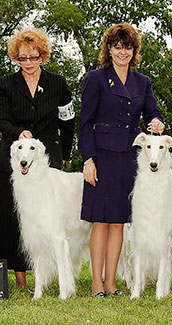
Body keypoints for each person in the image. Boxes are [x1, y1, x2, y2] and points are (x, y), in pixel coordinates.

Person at [79, 23, 164, 298]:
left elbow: (153, 111)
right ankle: (95, 284)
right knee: (100, 222)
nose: (122, 52)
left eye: (127, 46)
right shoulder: (96, 78)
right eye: (117, 46)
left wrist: (155, 121)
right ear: (109, 49)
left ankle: (111, 282)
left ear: (134, 50)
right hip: (102, 156)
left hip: (129, 157)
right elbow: (85, 122)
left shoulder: (143, 82)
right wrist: (88, 160)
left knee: (118, 222)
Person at [0, 27, 75, 287]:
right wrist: (18, 133)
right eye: (22, 58)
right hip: (14, 157)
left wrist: (64, 154)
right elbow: (2, 119)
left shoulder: (59, 84)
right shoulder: (5, 84)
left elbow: (68, 122)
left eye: (33, 57)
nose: (28, 63)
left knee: (50, 221)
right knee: (13, 217)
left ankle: (52, 274)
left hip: (47, 159)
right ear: (16, 58)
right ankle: (20, 277)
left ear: (42, 55)